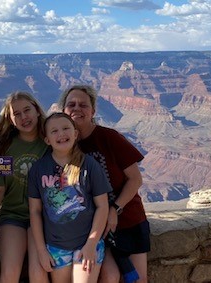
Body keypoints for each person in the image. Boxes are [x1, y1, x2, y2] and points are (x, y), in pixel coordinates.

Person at [59, 85, 149, 283]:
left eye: (83, 105)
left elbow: (136, 179)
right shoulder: (62, 143)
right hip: (93, 229)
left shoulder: (109, 138)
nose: (77, 109)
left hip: (128, 219)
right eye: (71, 104)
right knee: (110, 276)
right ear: (63, 110)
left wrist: (114, 209)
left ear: (93, 111)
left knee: (138, 280)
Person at [28, 112, 112, 283]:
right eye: (54, 131)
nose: (61, 134)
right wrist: (41, 250)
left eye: (66, 128)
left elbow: (102, 207)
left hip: (87, 244)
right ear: (47, 140)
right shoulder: (38, 169)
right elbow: (35, 211)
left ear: (75, 134)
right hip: (56, 247)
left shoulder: (89, 165)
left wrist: (91, 243)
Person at [0, 91, 50, 283]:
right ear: (10, 119)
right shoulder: (6, 147)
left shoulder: (49, 143)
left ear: (37, 111)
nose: (24, 117)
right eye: (17, 114)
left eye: (27, 110)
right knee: (10, 274)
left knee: (39, 273)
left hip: (42, 219)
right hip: (12, 217)